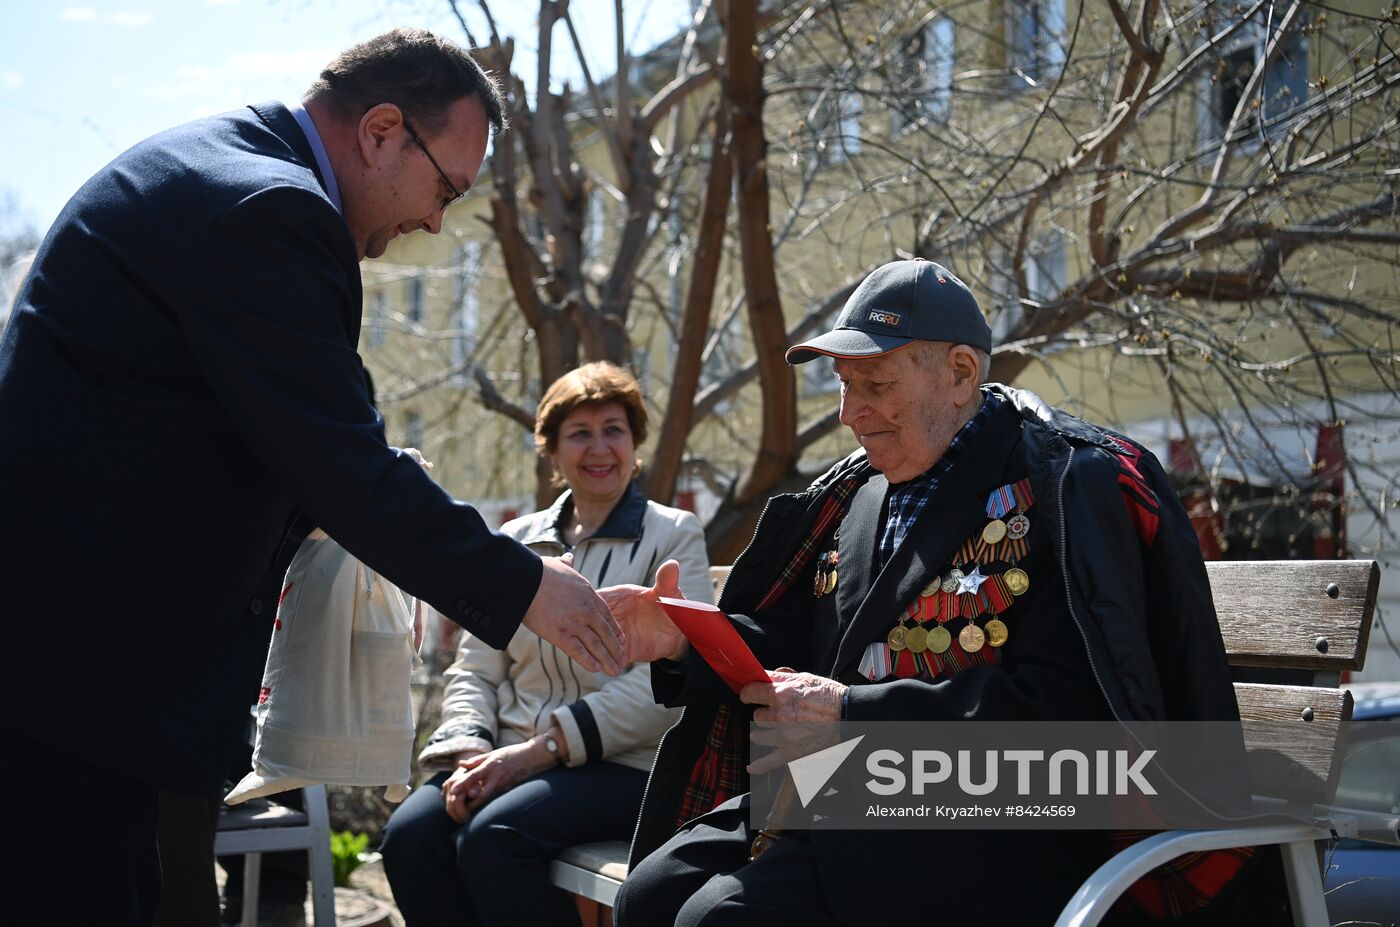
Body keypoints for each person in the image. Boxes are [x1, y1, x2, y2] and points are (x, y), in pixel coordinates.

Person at [0, 29, 623, 925]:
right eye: (445, 188)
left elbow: (260, 441)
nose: (436, 220)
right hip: (84, 683)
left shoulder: (224, 168)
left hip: (82, 670)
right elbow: (339, 466)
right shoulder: (272, 212)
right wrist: (524, 581)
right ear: (380, 130)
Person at [602, 259, 1251, 926]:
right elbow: (801, 650)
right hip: (845, 797)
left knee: (720, 919)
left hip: (989, 826)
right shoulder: (856, 492)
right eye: (846, 385)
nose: (851, 414)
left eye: (876, 384)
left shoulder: (1059, 487)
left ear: (963, 373)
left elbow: (1065, 709)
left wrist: (855, 712)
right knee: (646, 897)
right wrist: (685, 637)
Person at [380, 362, 714, 927]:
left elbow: (664, 687)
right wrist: (470, 752)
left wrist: (538, 753)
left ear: (635, 445)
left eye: (614, 429)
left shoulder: (674, 534)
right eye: (579, 433)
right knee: (410, 836)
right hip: (504, 753)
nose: (599, 447)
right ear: (553, 452)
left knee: (494, 838)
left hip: (625, 767)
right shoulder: (515, 542)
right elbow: (475, 668)